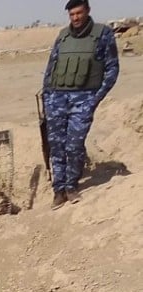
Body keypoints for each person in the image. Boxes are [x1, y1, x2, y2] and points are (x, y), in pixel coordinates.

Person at [42, 0, 119, 210]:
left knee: (74, 145)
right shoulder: (63, 36)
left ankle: (71, 186)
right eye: (71, 14)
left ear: (87, 11)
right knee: (56, 146)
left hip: (84, 99)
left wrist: (95, 99)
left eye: (78, 13)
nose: (75, 18)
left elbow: (112, 69)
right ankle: (58, 190)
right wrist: (47, 97)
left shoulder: (103, 34)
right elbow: (51, 68)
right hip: (57, 99)